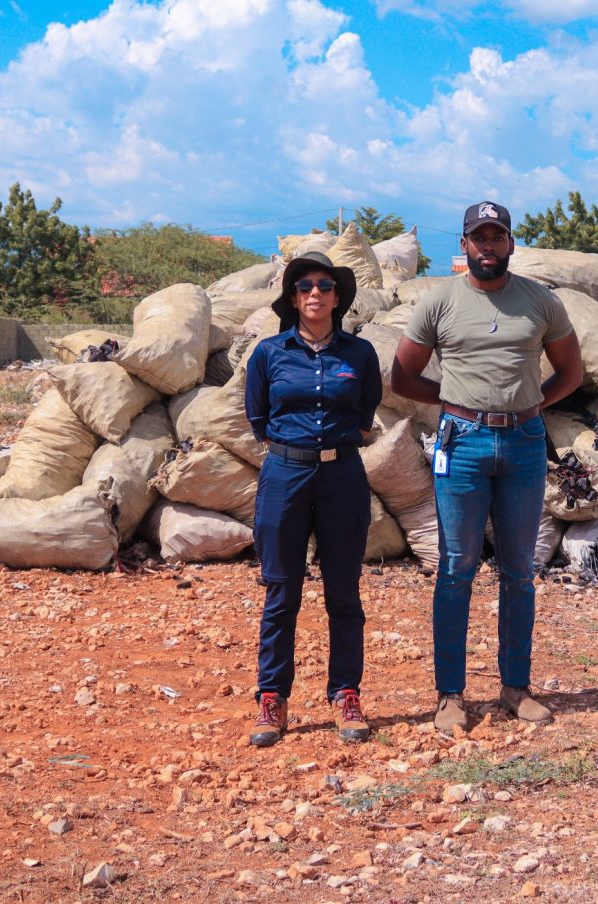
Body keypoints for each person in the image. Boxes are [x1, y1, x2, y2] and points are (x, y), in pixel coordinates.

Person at [391, 200, 583, 733]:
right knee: (456, 568)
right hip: (463, 445)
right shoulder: (439, 301)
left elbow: (570, 372)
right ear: (464, 244)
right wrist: (455, 400)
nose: (489, 246)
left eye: (498, 237)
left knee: (519, 570)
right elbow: (402, 377)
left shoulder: (540, 301)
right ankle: (450, 695)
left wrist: (532, 406)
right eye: (480, 237)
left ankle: (515, 688)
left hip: (524, 444)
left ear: (511, 244)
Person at [244, 251, 382, 746]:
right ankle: (272, 698)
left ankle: (345, 693)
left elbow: (365, 413)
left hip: (342, 474)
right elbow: (258, 418)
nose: (315, 293)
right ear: (293, 298)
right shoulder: (268, 353)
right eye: (304, 287)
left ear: (338, 297)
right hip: (285, 475)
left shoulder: (360, 354)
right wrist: (294, 449)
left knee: (343, 591)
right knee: (282, 591)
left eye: (325, 285)